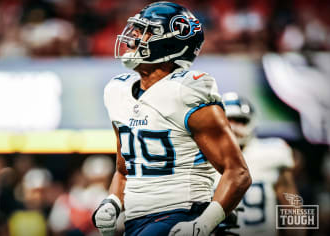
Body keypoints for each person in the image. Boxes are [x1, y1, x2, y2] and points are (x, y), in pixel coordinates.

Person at [92, 2, 252, 236]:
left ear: (170, 44)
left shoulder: (186, 90)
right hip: (136, 222)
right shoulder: (116, 91)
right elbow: (126, 170)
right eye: (136, 29)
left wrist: (204, 223)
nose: (133, 36)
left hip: (182, 214)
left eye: (146, 31)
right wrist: (113, 201)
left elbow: (237, 173)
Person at [218, 92, 300, 236]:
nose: (234, 127)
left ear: (251, 121)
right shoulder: (200, 157)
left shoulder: (272, 152)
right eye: (228, 120)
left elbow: (292, 206)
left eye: (240, 120)